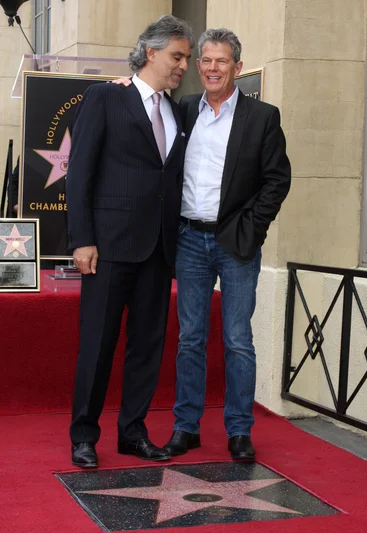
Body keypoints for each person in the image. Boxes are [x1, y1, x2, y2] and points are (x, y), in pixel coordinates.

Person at [115, 27, 291, 462]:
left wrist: (251, 228)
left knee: (237, 339)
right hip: (189, 239)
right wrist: (121, 87)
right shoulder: (184, 110)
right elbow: (145, 108)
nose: (212, 68)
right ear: (198, 67)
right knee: (190, 338)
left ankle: (239, 431)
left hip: (235, 242)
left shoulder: (263, 117)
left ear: (238, 67)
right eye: (205, 61)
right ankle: (186, 427)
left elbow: (276, 181)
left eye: (221, 61)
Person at [66, 15, 194, 468]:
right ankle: (84, 434)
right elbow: (79, 172)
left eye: (187, 59)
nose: (184, 66)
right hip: (109, 246)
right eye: (177, 56)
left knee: (147, 345)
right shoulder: (105, 96)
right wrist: (81, 239)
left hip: (159, 250)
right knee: (97, 344)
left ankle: (132, 432)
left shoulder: (177, 112)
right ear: (151, 52)